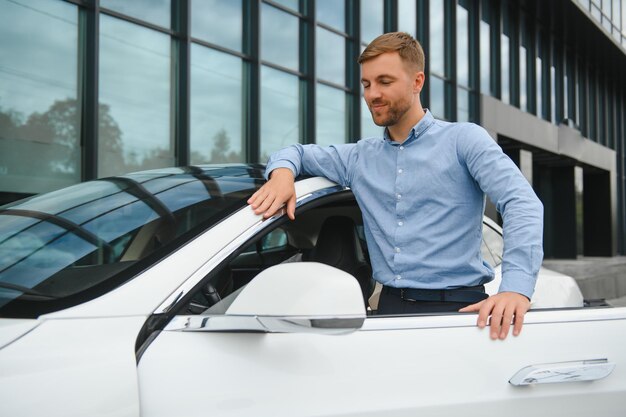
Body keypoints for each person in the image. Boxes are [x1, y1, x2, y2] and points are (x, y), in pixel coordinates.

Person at [248, 32, 543, 341]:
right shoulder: (360, 157)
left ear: (417, 82)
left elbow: (522, 202)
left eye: (384, 82)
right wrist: (281, 174)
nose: (372, 94)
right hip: (387, 312)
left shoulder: (464, 140)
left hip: (459, 313)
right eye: (366, 84)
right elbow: (293, 152)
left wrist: (516, 288)